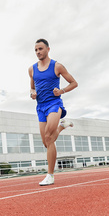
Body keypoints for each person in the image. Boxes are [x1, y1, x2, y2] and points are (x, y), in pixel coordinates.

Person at [29, 39, 78, 186]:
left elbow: (74, 83)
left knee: (49, 137)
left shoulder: (57, 66)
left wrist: (61, 91)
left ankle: (50, 175)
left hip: (54, 104)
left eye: (41, 49)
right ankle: (62, 126)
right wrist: (32, 94)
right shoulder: (32, 69)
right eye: (36, 50)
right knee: (46, 142)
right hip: (41, 107)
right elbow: (32, 88)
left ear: (48, 49)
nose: (38, 52)